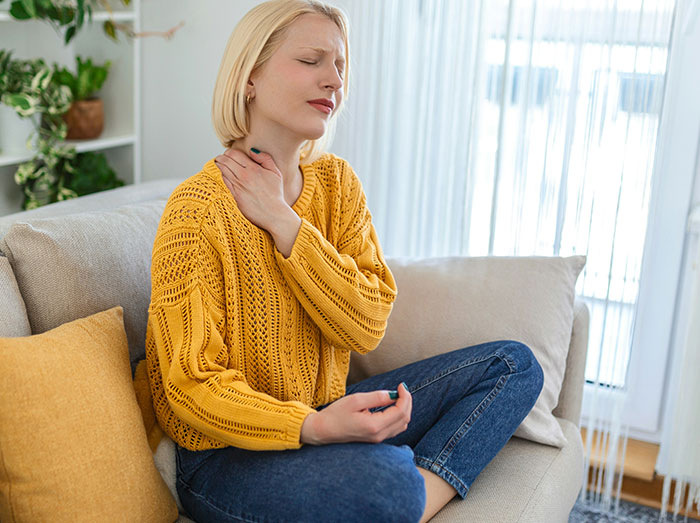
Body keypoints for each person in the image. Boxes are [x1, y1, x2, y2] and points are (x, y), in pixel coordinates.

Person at [144, 1, 545, 521]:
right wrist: (314, 428)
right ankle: (398, 497)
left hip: (327, 417)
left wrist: (285, 225)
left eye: (339, 65)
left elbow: (368, 323)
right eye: (312, 60)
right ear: (249, 77)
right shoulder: (196, 211)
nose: (333, 79)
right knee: (387, 488)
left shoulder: (337, 184)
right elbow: (190, 387)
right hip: (228, 458)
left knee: (514, 365)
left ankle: (400, 497)